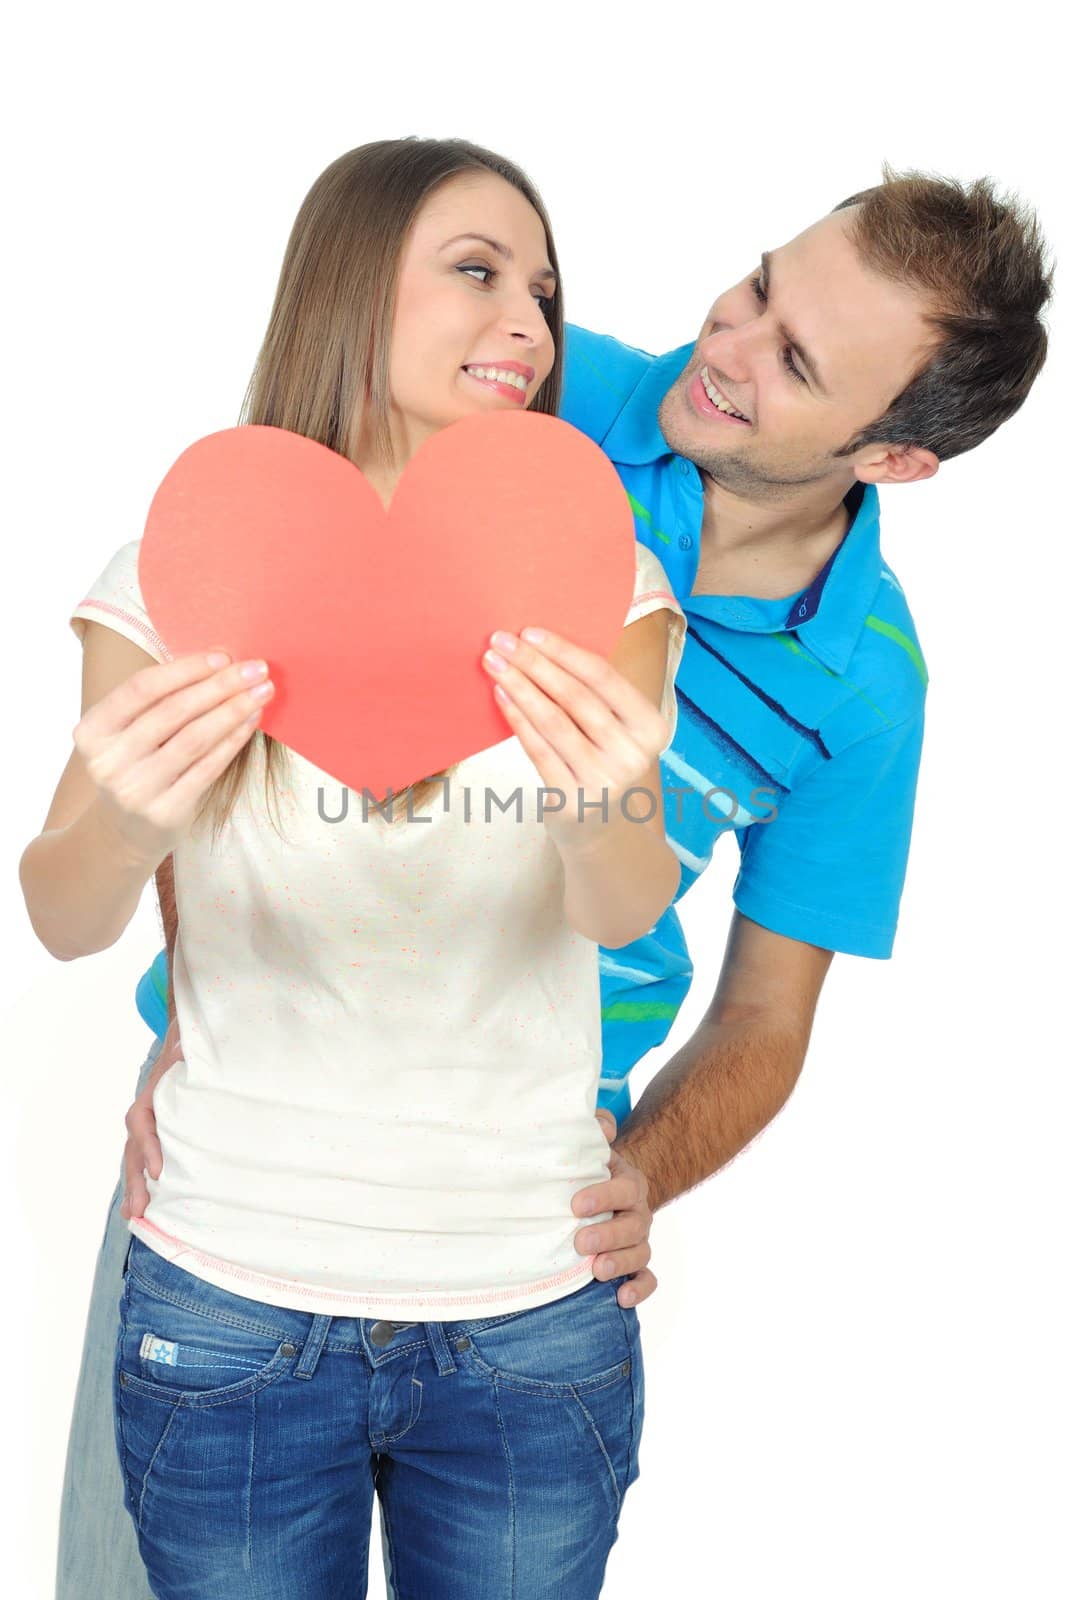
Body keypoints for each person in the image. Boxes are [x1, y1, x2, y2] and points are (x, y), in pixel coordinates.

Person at [52, 161, 1053, 1599]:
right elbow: (246, 582)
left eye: (794, 360)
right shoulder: (535, 385)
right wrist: (182, 1008)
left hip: (517, 1216)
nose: (724, 348)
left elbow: (764, 1014)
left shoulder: (866, 691)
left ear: (891, 456)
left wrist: (638, 1174)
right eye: (760, 285)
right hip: (232, 1169)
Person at [23, 136, 689, 1599]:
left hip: (531, 1306)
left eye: (545, 291)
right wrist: (129, 821)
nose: (528, 319)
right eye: (476, 272)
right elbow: (61, 911)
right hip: (227, 1299)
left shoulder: (604, 581)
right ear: (345, 283)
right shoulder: (177, 569)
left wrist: (598, 806)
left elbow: (623, 903)